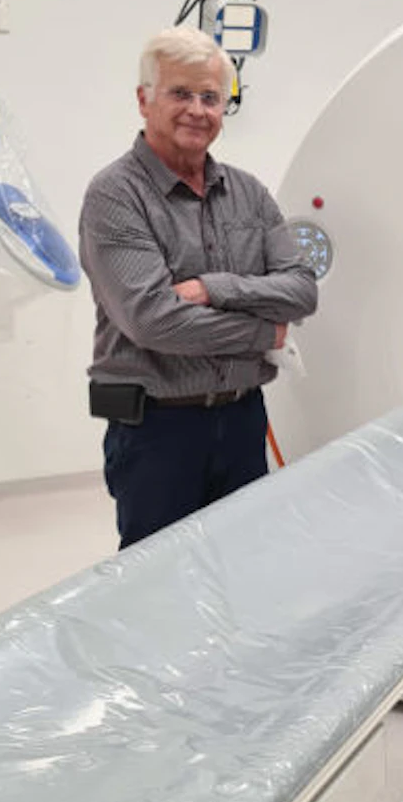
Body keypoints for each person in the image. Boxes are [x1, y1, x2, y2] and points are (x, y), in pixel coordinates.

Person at [79, 28, 317, 549]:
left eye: (211, 97)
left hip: (241, 417)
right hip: (159, 431)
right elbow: (154, 321)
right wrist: (266, 334)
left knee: (243, 564)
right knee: (158, 585)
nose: (197, 109)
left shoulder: (248, 193)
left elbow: (302, 290)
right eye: (180, 93)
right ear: (144, 100)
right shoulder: (116, 196)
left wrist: (213, 288)